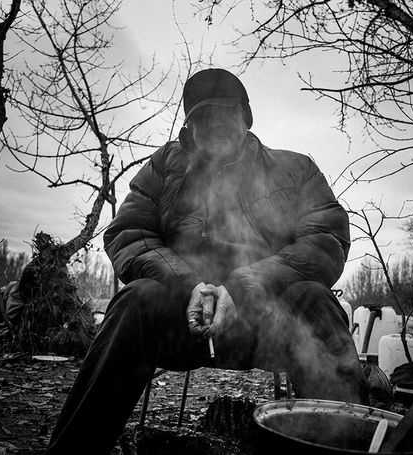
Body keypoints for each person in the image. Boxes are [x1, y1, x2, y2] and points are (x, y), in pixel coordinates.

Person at [46, 68, 368, 454]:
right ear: (189, 128)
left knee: (315, 298)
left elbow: (324, 240)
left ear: (245, 118)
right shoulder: (165, 165)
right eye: (203, 119)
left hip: (267, 323)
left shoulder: (295, 169)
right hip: (184, 320)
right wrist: (187, 286)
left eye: (225, 115)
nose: (214, 127)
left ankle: (347, 446)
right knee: (137, 298)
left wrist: (245, 287)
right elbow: (129, 233)